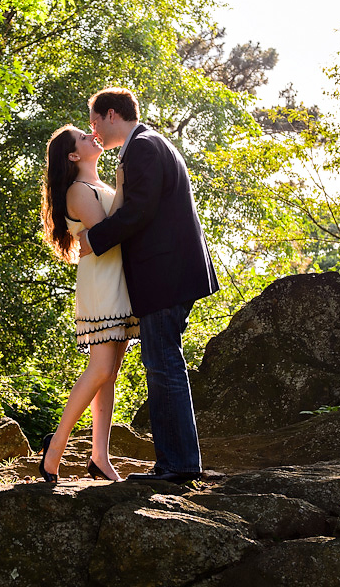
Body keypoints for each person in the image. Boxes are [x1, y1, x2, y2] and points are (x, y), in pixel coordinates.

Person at [78, 87, 219, 484]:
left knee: (162, 365)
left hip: (165, 274)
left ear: (110, 115)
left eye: (94, 122)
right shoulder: (152, 143)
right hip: (172, 273)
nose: (95, 131)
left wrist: (94, 239)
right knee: (165, 363)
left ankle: (177, 466)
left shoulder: (142, 148)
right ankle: (178, 462)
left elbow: (138, 212)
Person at [37, 124, 140, 483]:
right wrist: (125, 187)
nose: (91, 136)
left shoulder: (100, 187)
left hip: (119, 282)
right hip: (101, 285)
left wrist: (121, 185)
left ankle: (99, 456)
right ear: (73, 156)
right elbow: (108, 236)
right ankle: (55, 449)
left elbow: (113, 226)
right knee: (99, 370)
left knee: (109, 374)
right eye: (83, 137)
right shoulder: (79, 190)